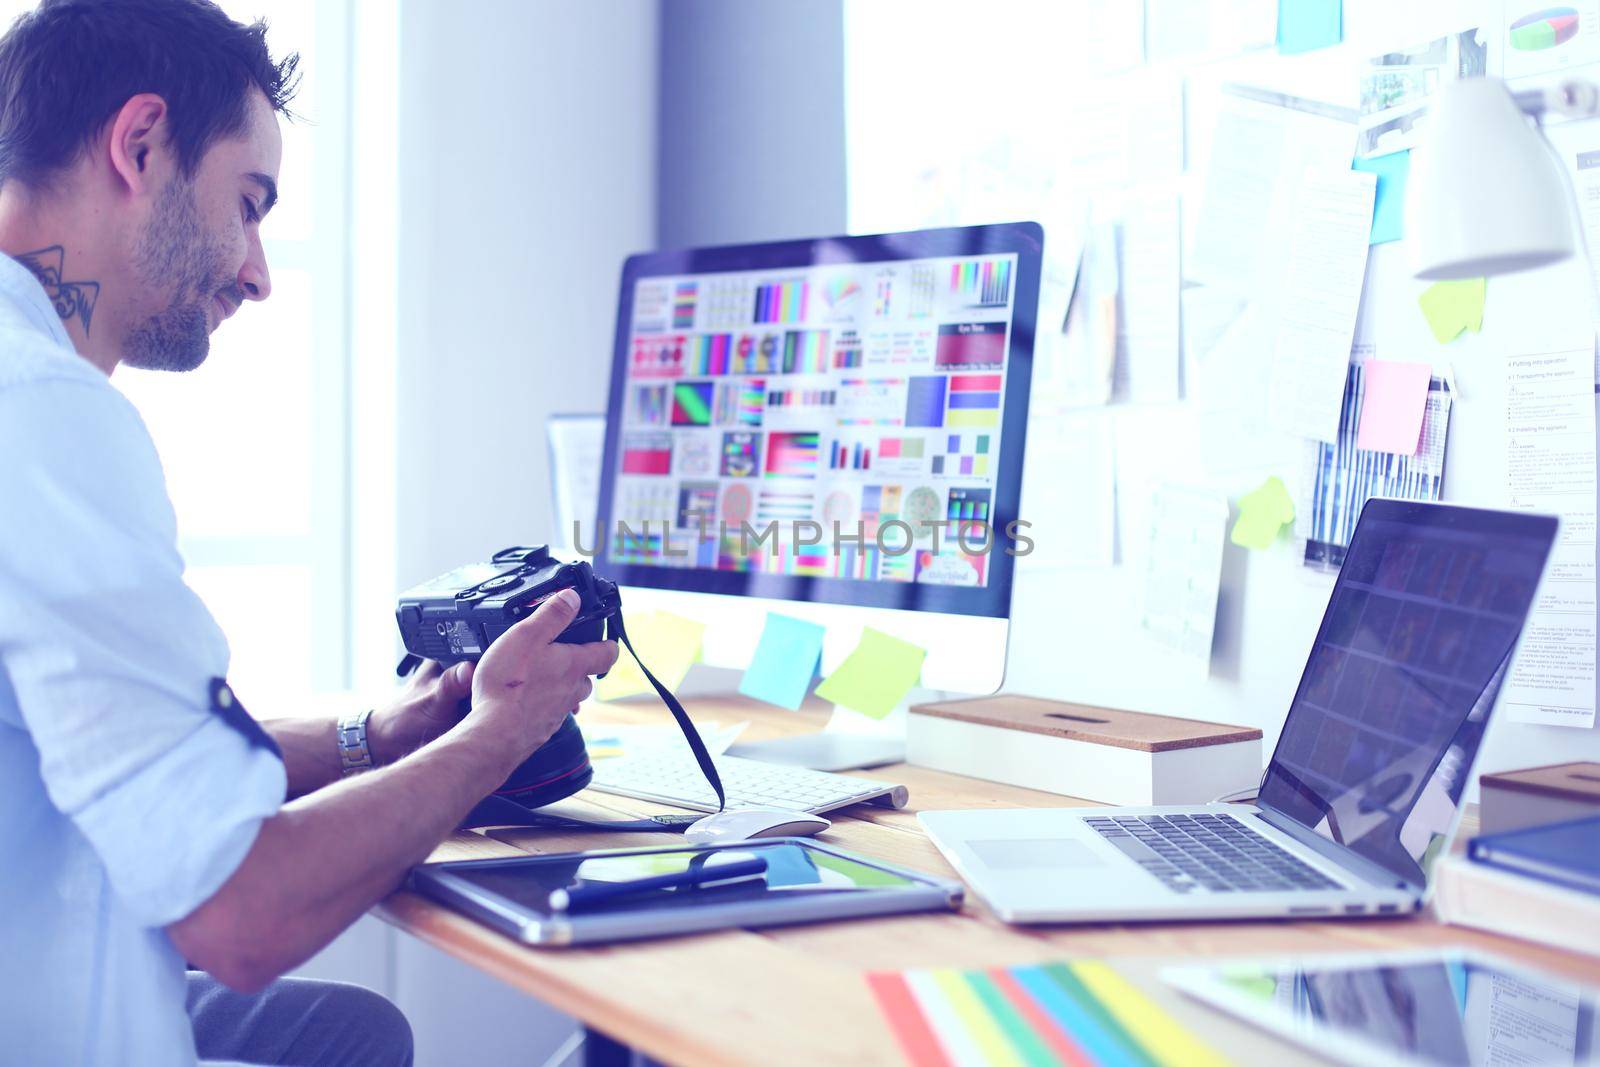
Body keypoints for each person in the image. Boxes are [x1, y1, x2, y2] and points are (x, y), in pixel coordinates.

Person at [0, 1, 618, 1064]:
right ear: (140, 144)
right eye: (247, 204)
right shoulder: (43, 413)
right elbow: (240, 917)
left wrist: (378, 737)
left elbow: (134, 758)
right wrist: (496, 737)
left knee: (351, 1030)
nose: (257, 269)